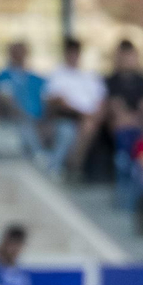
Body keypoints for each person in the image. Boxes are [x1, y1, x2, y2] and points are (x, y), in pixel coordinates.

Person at [44, 38, 107, 181]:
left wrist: (95, 114)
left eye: (76, 53)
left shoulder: (90, 76)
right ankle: (66, 167)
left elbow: (101, 101)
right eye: (70, 53)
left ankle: (74, 167)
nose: (74, 57)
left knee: (89, 124)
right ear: (65, 54)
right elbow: (56, 101)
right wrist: (82, 114)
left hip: (91, 118)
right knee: (71, 130)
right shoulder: (58, 74)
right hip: (66, 117)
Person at [0, 41, 48, 166]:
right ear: (10, 54)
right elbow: (5, 99)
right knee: (24, 123)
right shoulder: (3, 76)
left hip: (38, 120)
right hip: (14, 118)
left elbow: (46, 101)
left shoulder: (36, 78)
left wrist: (44, 120)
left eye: (22, 52)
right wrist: (22, 114)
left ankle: (53, 166)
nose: (20, 55)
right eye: (16, 53)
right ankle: (38, 154)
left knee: (65, 130)